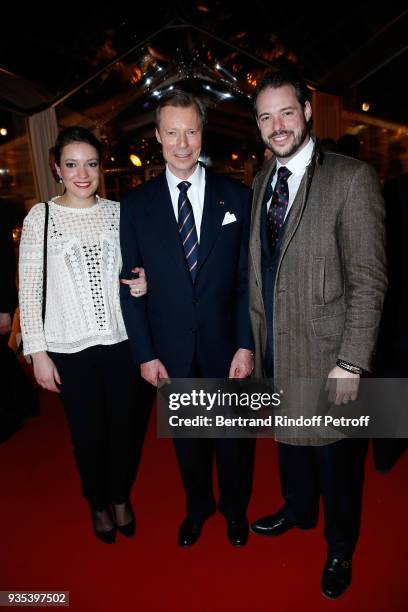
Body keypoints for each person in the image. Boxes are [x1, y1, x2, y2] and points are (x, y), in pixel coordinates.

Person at [248, 69, 387, 598]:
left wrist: (351, 362)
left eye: (286, 112)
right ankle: (299, 509)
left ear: (307, 111)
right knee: (290, 444)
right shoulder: (262, 181)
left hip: (331, 354)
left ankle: (340, 546)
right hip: (279, 347)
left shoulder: (351, 178)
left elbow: (370, 280)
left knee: (337, 460)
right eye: (266, 116)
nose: (277, 125)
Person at [120, 89, 255, 547]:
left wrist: (246, 343)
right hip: (171, 348)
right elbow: (129, 283)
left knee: (233, 442)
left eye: (191, 131)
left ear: (203, 133)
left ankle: (235, 510)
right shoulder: (135, 207)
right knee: (188, 443)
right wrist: (144, 353)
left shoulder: (237, 195)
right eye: (172, 132)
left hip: (225, 345)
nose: (183, 143)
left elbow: (246, 282)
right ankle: (198, 509)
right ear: (157, 136)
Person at [19, 126, 150, 544]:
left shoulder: (118, 212)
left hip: (121, 343)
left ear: (101, 168)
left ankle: (119, 496)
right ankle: (97, 502)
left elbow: (134, 274)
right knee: (88, 436)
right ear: (57, 168)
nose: (82, 173)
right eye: (72, 164)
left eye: (90, 163)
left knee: (126, 430)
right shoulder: (41, 216)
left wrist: (143, 283)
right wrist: (37, 352)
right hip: (68, 349)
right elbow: (30, 286)